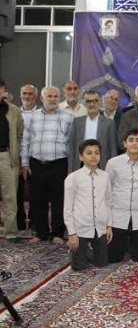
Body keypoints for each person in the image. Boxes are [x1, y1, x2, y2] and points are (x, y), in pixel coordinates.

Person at [20, 85, 73, 244]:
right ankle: (40, 233)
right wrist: (25, 163)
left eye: (55, 96)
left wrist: (71, 167)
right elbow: (25, 141)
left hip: (59, 164)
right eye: (49, 96)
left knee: (59, 199)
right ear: (42, 98)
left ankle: (57, 233)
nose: (53, 99)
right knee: (38, 199)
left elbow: (72, 143)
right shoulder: (33, 117)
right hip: (37, 163)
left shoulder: (68, 117)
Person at [63, 139, 112, 271]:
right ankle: (78, 251)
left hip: (99, 227)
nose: (93, 156)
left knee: (102, 263)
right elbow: (68, 208)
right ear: (81, 156)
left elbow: (108, 202)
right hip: (81, 228)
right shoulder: (73, 178)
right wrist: (72, 233)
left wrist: (109, 226)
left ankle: (89, 251)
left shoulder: (105, 176)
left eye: (96, 153)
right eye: (89, 153)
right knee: (79, 267)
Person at [106, 128, 138, 263]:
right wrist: (107, 223)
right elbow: (107, 191)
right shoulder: (113, 163)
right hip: (118, 217)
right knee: (113, 258)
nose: (134, 143)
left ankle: (132, 245)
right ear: (124, 143)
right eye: (131, 140)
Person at [68, 90, 118, 172]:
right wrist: (70, 170)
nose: (92, 104)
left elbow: (113, 149)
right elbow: (71, 148)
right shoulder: (77, 122)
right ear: (84, 104)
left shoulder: (109, 123)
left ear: (100, 102)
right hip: (80, 165)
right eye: (88, 101)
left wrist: (112, 170)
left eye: (95, 101)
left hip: (102, 166)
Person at [0, 78, 24, 242]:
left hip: (6, 156)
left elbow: (20, 133)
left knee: (10, 196)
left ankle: (10, 232)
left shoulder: (13, 110)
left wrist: (15, 150)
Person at [17, 84, 38, 230]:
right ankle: (19, 223)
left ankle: (35, 222)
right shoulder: (13, 112)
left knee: (36, 192)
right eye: (24, 93)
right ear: (20, 95)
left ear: (35, 96)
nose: (27, 96)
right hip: (16, 158)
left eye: (30, 93)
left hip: (36, 157)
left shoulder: (42, 113)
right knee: (17, 191)